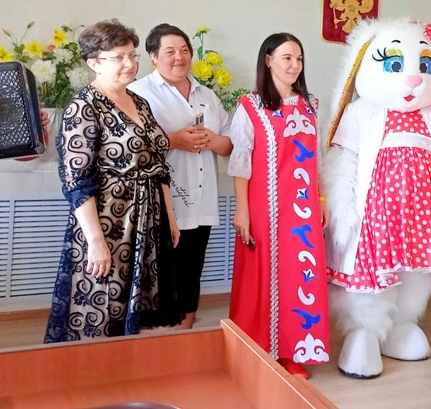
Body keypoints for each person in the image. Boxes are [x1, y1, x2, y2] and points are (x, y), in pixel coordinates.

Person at [45, 19, 183, 342]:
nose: (129, 64)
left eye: (132, 55)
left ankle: (132, 369)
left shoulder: (140, 102)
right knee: (104, 307)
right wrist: (95, 241)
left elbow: (158, 165)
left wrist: (170, 216)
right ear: (94, 62)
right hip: (109, 222)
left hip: (149, 220)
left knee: (143, 311)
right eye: (118, 57)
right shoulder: (83, 107)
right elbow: (77, 182)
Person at [228, 33, 329, 378]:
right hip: (264, 206)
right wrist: (242, 210)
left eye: (299, 59)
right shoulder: (250, 106)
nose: (294, 65)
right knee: (263, 277)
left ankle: (292, 351)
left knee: (299, 276)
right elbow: (240, 163)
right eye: (287, 58)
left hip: (303, 208)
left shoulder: (311, 105)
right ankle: (258, 350)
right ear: (268, 60)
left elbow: (318, 159)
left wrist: (322, 199)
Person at [128, 23, 233, 329]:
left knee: (191, 268)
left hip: (202, 198)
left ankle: (185, 332)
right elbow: (130, 146)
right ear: (153, 57)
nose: (179, 57)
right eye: (170, 51)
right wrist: (173, 140)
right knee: (158, 270)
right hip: (161, 201)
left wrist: (212, 140)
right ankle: (156, 336)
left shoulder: (207, 95)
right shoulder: (137, 93)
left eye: (185, 50)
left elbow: (230, 145)